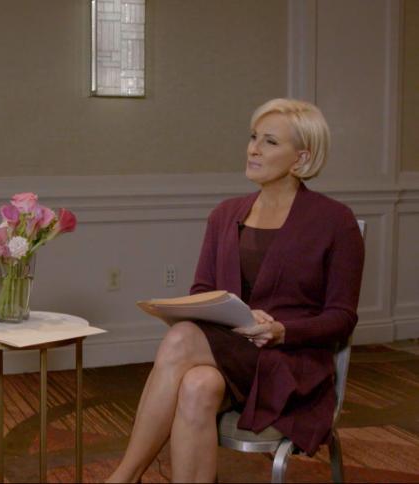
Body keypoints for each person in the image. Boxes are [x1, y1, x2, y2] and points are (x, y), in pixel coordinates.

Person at [107, 98, 364, 482]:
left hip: (288, 365)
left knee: (180, 339)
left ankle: (124, 477)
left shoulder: (335, 221)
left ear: (301, 158)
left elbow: (342, 318)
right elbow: (202, 289)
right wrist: (231, 313)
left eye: (270, 142)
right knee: (197, 385)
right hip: (230, 354)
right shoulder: (224, 215)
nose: (253, 149)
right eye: (253, 137)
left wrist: (282, 331)